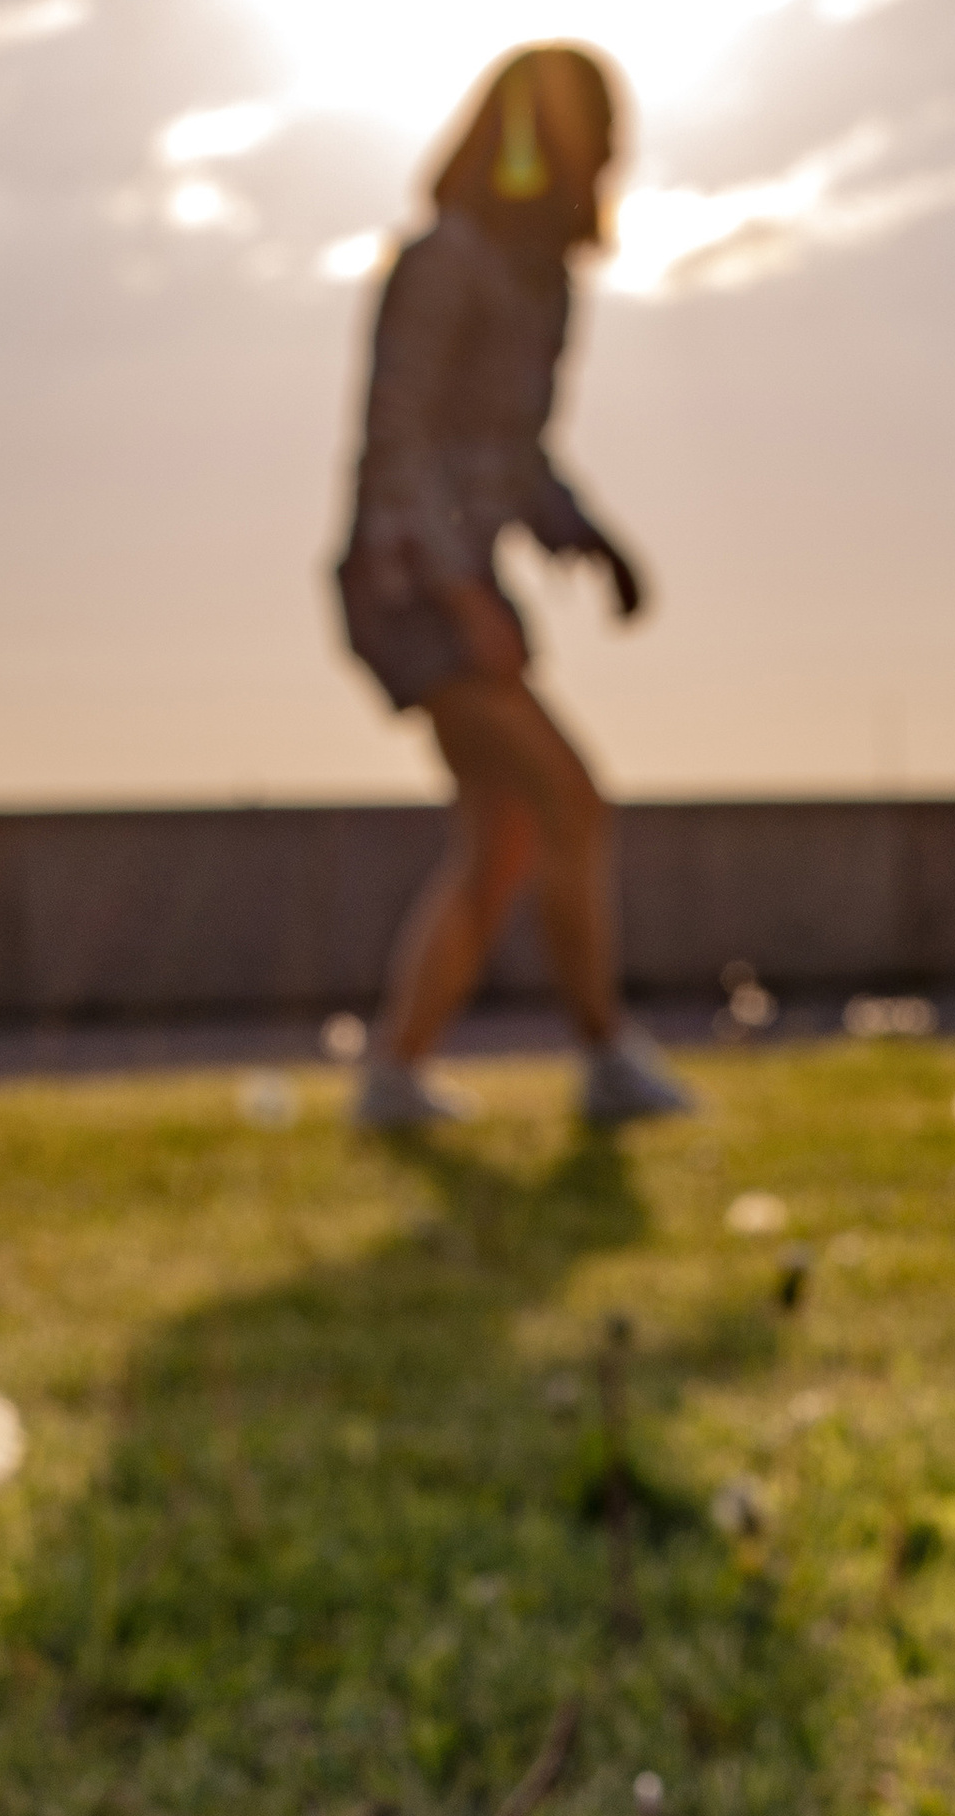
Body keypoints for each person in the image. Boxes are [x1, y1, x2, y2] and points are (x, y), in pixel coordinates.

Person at [331, 47, 694, 1132]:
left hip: (463, 579)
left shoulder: (545, 286)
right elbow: (398, 442)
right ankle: (606, 1057)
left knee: (505, 837)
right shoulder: (444, 261)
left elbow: (516, 456)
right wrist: (457, 596)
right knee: (569, 798)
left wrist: (591, 541)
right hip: (407, 587)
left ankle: (394, 1076)